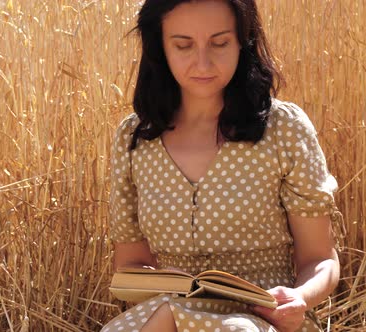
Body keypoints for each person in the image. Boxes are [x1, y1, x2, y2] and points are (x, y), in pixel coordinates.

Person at [102, 0, 343, 331]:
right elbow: (130, 266)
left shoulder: (283, 130)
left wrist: (299, 296)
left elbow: (321, 260)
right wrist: (163, 282)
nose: (203, 62)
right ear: (160, 47)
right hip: (164, 312)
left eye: (219, 43)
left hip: (265, 318)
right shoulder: (134, 138)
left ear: (243, 42)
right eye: (183, 45)